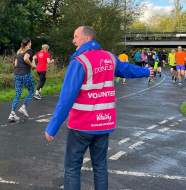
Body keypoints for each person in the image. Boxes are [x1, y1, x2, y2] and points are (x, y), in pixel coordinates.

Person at [45, 26, 152, 190]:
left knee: (72, 167)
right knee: (100, 167)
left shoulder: (79, 61)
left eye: (76, 37)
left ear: (86, 38)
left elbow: (67, 97)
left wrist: (53, 126)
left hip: (81, 125)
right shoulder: (109, 58)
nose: (73, 41)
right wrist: (145, 71)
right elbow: (127, 69)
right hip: (104, 123)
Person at [8, 38, 36, 121]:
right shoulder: (29, 50)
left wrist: (19, 68)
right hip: (25, 74)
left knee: (18, 93)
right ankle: (23, 107)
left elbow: (16, 63)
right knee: (31, 91)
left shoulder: (19, 51)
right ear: (28, 43)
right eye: (30, 42)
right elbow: (25, 59)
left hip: (17, 74)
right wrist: (31, 64)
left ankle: (12, 113)